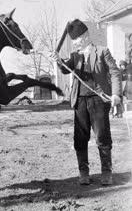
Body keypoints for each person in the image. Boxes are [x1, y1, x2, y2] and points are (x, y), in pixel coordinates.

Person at [50, 19, 122, 186]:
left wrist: (116, 94)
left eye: (77, 40)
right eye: (74, 40)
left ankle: (106, 172)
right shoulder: (75, 56)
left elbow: (115, 72)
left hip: (99, 100)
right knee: (80, 138)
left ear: (85, 36)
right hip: (80, 101)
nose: (75, 43)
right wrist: (58, 60)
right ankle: (84, 173)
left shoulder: (103, 51)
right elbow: (63, 68)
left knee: (103, 136)